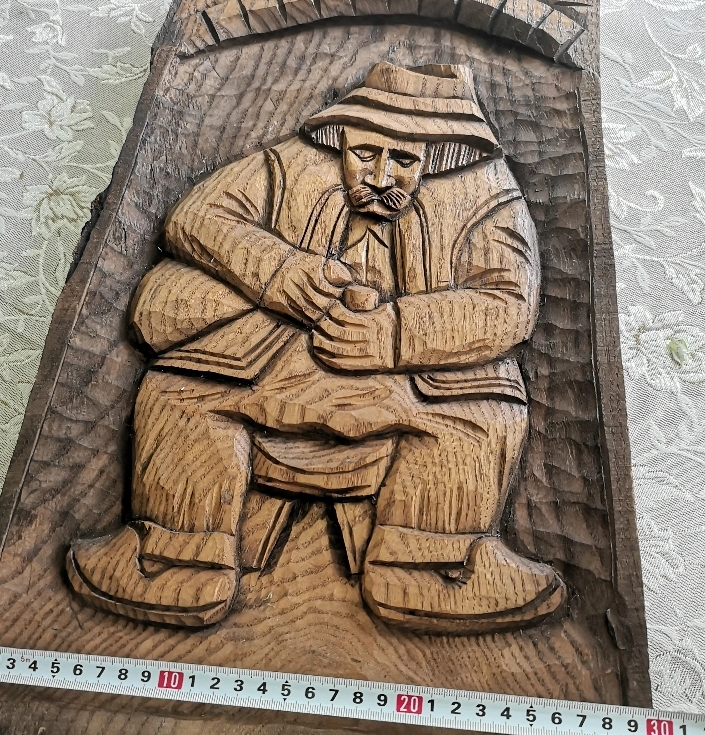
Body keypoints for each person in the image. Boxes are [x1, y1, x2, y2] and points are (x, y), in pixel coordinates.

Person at [67, 61, 566, 632]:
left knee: (486, 416)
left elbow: (509, 303)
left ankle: (434, 565)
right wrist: (278, 269)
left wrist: (394, 332)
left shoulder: (487, 195)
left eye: (404, 161)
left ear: (437, 154)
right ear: (342, 139)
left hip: (414, 382)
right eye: (365, 154)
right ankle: (173, 558)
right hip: (273, 359)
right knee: (176, 394)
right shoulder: (288, 164)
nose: (381, 176)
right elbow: (196, 215)